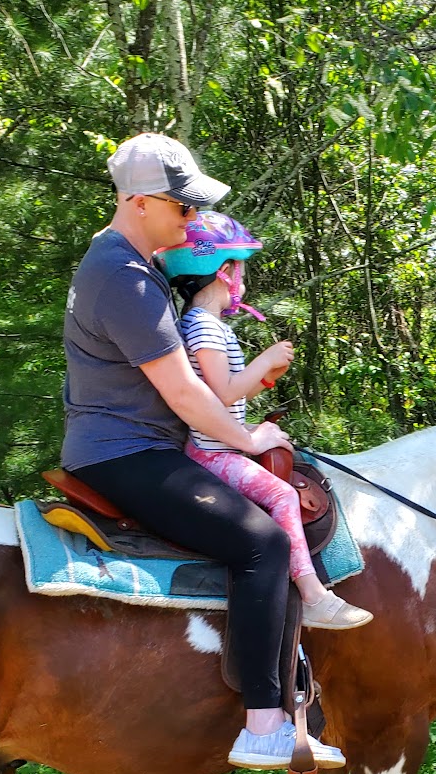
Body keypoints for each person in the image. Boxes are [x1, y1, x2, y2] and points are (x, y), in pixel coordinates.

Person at [61, 132, 346, 772]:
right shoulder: (124, 279)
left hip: (126, 445)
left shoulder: (125, 266)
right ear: (138, 202)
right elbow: (186, 394)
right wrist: (251, 439)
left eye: (194, 210)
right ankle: (263, 724)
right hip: (127, 452)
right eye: (183, 208)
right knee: (262, 543)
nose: (191, 221)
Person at [160, 214, 373, 632]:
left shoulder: (207, 324)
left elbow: (230, 392)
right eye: (238, 268)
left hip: (224, 441)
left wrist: (263, 378)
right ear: (223, 271)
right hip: (213, 451)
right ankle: (313, 595)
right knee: (281, 496)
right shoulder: (203, 325)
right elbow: (220, 393)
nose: (242, 277)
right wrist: (264, 360)